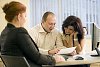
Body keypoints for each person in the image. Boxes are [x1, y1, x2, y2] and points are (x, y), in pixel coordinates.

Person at [0, 1, 65, 67]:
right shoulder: (20, 32)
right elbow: (37, 57)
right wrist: (53, 59)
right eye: (25, 16)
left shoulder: (4, 33)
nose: (26, 19)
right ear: (19, 16)